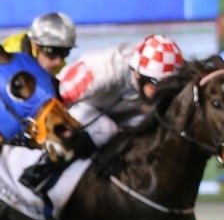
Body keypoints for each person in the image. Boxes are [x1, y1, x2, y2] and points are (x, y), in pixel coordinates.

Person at [58, 33, 186, 148]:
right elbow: (55, 96)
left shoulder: (153, 79)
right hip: (74, 108)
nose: (163, 91)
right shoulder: (104, 71)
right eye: (157, 83)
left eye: (169, 85)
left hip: (111, 116)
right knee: (106, 130)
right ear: (138, 74)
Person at [0, 10, 77, 77]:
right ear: (35, 45)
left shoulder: (60, 65)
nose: (58, 62)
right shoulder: (11, 55)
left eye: (65, 52)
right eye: (52, 53)